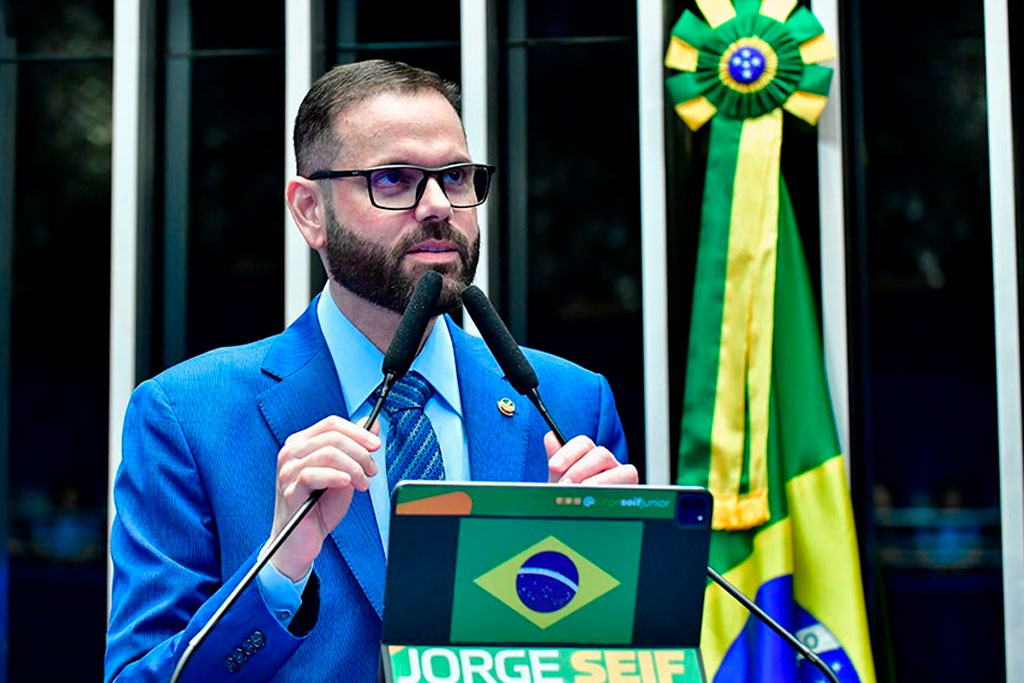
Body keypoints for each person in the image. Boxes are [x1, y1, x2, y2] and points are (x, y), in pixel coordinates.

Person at [105, 60, 636, 683]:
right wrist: (279, 571)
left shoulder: (571, 403)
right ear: (310, 211)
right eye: (394, 179)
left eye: (456, 176)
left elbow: (612, 657)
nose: (438, 206)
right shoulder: (188, 416)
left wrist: (615, 577)